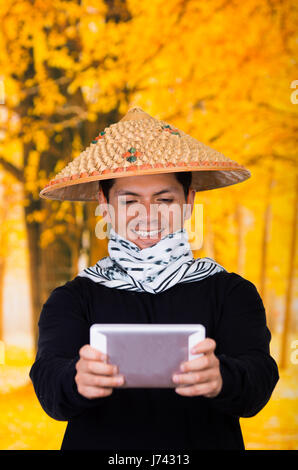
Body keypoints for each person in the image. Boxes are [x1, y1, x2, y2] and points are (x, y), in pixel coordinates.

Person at [30, 107, 279, 450]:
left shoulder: (232, 293)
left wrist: (222, 377)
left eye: (164, 199)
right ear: (104, 203)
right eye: (130, 200)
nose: (148, 214)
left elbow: (258, 380)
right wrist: (76, 379)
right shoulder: (72, 299)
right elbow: (48, 382)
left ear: (189, 202)